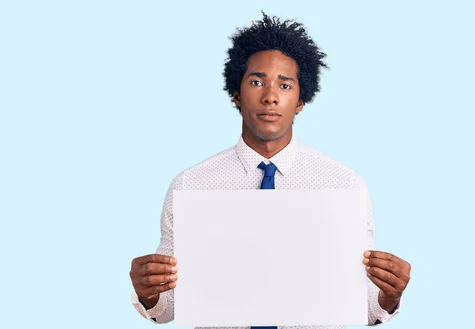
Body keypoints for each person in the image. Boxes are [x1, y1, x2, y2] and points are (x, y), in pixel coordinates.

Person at [129, 12, 411, 329]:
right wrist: (148, 293)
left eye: (285, 84)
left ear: (301, 100)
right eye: (257, 81)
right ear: (237, 94)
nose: (270, 96)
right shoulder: (190, 185)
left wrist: (389, 295)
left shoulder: (344, 185)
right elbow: (168, 309)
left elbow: (364, 308)